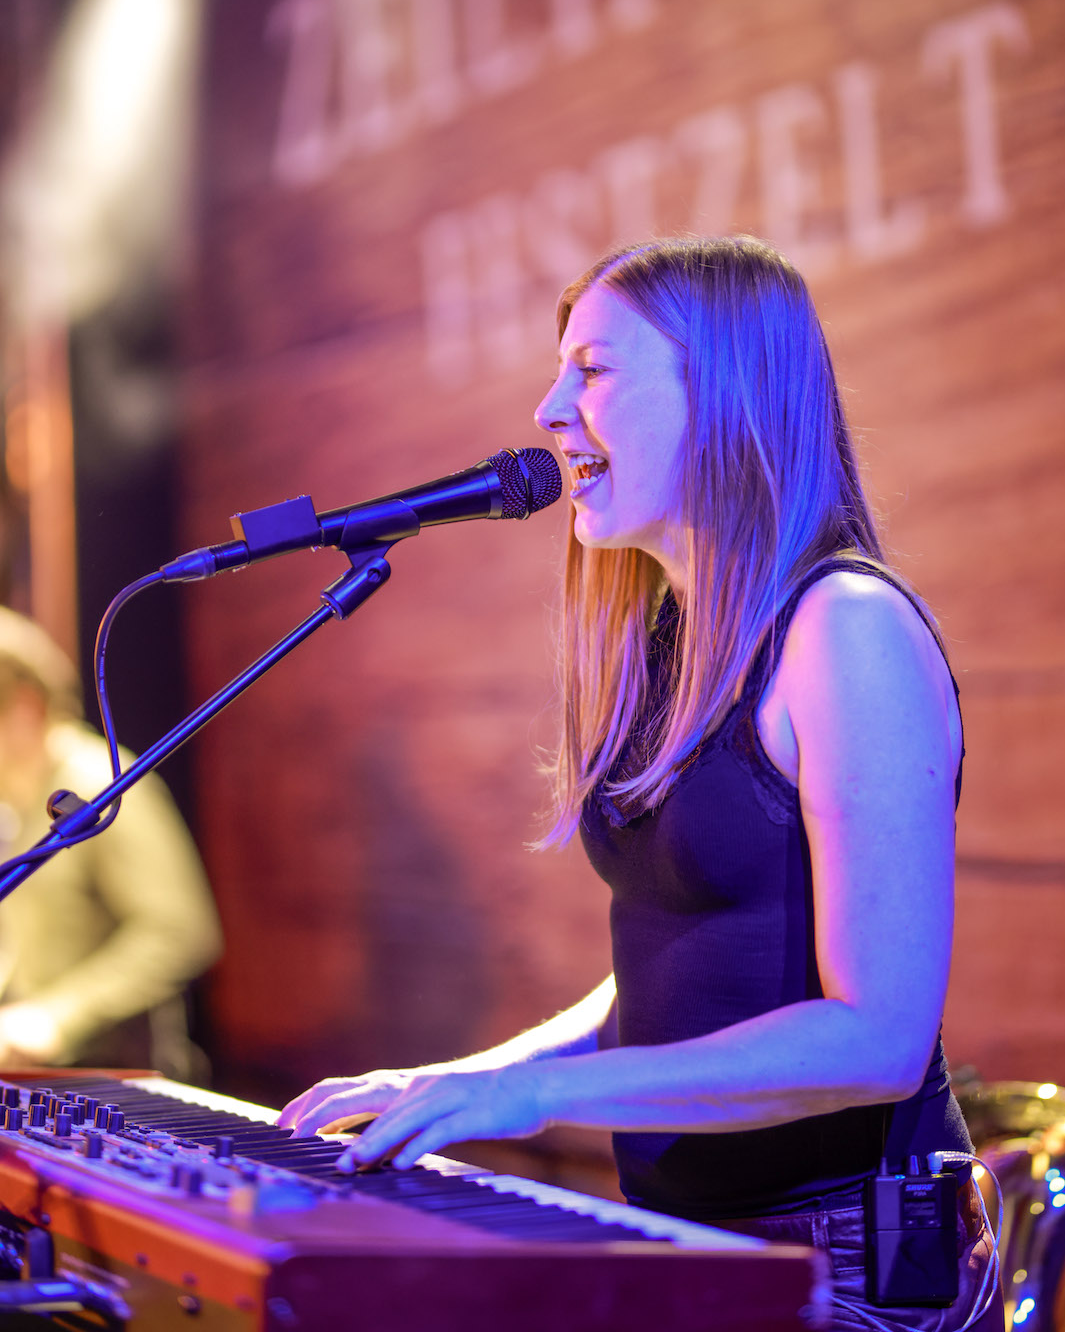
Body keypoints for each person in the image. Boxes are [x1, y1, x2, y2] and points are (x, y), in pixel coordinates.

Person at [280, 236, 1000, 1331]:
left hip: (849, 1265)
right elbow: (679, 978)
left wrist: (530, 1095)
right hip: (692, 1239)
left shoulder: (845, 628)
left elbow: (878, 1038)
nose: (549, 409)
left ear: (726, 392)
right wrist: (455, 1083)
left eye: (594, 370)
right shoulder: (674, 638)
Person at [0, 606, 222, 1077]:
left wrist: (56, 1016)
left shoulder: (100, 786)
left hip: (115, 1076)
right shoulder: (12, 795)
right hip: (48, 1073)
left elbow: (179, 931)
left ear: (25, 706)